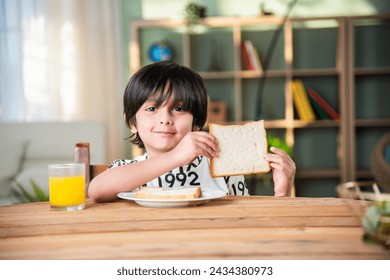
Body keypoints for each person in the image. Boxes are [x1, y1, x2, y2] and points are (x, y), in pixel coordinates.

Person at [88, 61, 295, 202]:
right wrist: (176, 156)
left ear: (196, 123)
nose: (165, 119)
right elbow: (96, 191)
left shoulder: (223, 172)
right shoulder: (126, 170)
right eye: (151, 109)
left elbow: (249, 221)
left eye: (178, 109)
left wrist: (282, 193)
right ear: (132, 122)